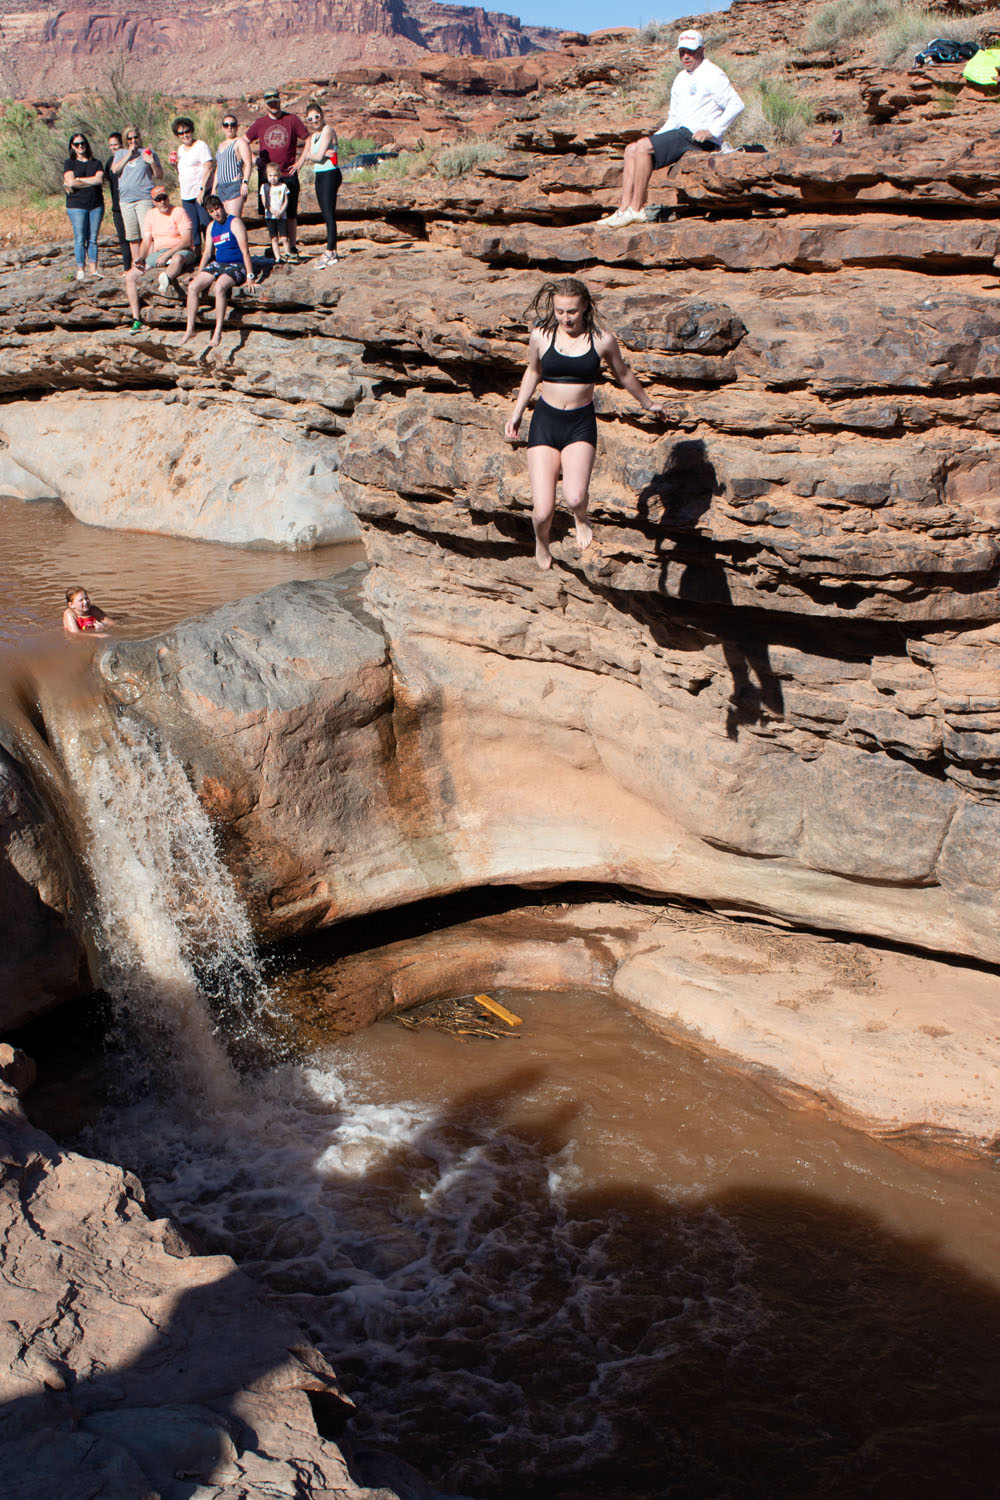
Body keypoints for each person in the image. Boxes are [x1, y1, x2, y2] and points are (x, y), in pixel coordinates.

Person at [505, 278, 668, 570]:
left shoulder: (602, 339)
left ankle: (581, 517)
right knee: (543, 512)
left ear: (584, 308)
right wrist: (517, 411)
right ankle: (541, 543)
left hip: (579, 423)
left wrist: (648, 403)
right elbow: (532, 372)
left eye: (572, 312)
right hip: (545, 421)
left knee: (575, 496)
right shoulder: (541, 335)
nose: (565, 318)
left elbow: (624, 374)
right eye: (559, 311)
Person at [598, 31, 744, 228]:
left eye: (691, 51)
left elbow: (736, 104)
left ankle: (637, 208)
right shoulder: (680, 78)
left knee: (642, 148)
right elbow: (674, 117)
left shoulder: (712, 74)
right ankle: (623, 209)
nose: (686, 56)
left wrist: (712, 130)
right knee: (632, 149)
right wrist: (655, 139)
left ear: (702, 50)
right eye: (682, 51)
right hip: (680, 133)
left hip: (698, 138)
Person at [180, 194, 257, 348]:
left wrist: (250, 276)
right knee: (193, 286)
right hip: (218, 263)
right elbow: (207, 253)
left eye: (217, 209)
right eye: (211, 211)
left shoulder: (234, 223)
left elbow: (245, 251)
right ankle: (190, 329)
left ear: (222, 207)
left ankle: (217, 331)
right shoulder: (211, 227)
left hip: (236, 265)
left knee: (220, 287)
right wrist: (198, 273)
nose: (216, 213)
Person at [245, 89, 308, 261]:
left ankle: (292, 247)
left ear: (280, 101)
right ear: (265, 104)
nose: (273, 105)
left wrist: (301, 162)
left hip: (288, 172)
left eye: (275, 101)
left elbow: (308, 139)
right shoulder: (260, 123)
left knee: (290, 211)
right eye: (269, 102)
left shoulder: (292, 120)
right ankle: (276, 248)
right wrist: (252, 159)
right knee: (269, 210)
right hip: (268, 175)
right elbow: (244, 141)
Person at [124, 184, 194, 332]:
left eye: (164, 198)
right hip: (159, 252)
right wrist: (140, 257)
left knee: (177, 259)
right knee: (131, 276)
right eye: (158, 199)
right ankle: (137, 319)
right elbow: (146, 241)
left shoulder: (178, 212)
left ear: (168, 198)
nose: (162, 202)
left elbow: (186, 241)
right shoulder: (150, 215)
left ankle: (167, 278)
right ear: (154, 202)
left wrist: (167, 254)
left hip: (179, 250)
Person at [295, 100, 341, 268]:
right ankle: (331, 249)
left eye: (316, 117)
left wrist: (313, 155)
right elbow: (313, 154)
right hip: (320, 174)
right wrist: (313, 156)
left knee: (329, 213)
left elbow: (317, 155)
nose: (314, 121)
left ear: (322, 115)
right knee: (325, 213)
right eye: (310, 119)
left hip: (330, 173)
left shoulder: (328, 130)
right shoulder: (314, 136)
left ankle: (331, 251)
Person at [111, 125, 165, 262]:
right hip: (125, 200)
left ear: (140, 137)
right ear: (125, 139)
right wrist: (129, 154)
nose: (133, 140)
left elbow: (159, 175)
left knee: (146, 234)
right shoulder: (121, 153)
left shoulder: (147, 152)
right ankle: (136, 263)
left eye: (135, 137)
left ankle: (150, 261)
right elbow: (115, 170)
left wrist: (152, 162)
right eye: (129, 138)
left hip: (144, 198)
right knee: (132, 236)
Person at [62, 132, 104, 281]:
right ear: (72, 147)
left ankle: (94, 268)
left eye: (83, 143)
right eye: (77, 144)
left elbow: (99, 180)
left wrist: (79, 180)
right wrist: (86, 181)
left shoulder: (96, 163)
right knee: (80, 237)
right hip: (77, 205)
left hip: (96, 204)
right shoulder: (69, 163)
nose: (80, 146)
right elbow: (71, 182)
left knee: (93, 238)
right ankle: (81, 268)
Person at [171, 116, 214, 252]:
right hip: (186, 194)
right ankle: (197, 252)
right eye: (181, 133)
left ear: (192, 130)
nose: (185, 135)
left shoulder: (200, 145)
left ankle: (211, 252)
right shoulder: (180, 149)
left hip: (199, 192)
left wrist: (202, 190)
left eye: (187, 131)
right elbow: (182, 171)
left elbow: (208, 167)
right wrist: (174, 166)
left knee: (206, 223)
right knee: (192, 225)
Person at [213, 110, 253, 217]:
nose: (229, 127)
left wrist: (245, 182)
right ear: (222, 128)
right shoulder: (220, 145)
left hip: (234, 186)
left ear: (237, 127)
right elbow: (219, 167)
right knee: (224, 222)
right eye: (226, 125)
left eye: (232, 125)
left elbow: (248, 164)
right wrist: (213, 188)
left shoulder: (240, 142)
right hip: (221, 188)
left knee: (233, 221)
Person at [104, 130, 132, 271]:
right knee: (123, 239)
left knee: (135, 237)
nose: (114, 148)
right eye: (111, 146)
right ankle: (127, 268)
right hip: (117, 206)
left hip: (131, 203)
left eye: (116, 144)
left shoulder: (130, 160)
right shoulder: (110, 162)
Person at [261, 162, 290, 261]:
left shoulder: (283, 186)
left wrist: (281, 212)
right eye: (270, 176)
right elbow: (264, 201)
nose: (273, 178)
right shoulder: (264, 187)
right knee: (274, 238)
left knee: (285, 238)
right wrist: (271, 210)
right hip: (270, 216)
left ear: (279, 175)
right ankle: (278, 257)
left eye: (275, 175)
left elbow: (286, 200)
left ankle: (287, 254)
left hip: (282, 216)